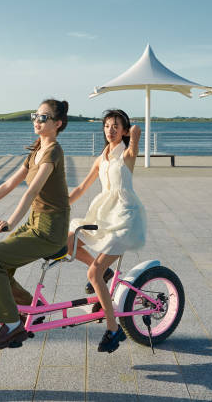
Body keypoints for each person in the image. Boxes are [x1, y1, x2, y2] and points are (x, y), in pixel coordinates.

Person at [0, 99, 70, 350]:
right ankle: (33, 308)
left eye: (43, 117)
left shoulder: (53, 151)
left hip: (50, 229)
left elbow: (31, 192)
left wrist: (10, 221)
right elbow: (8, 185)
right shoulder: (35, 153)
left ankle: (11, 325)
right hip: (35, 223)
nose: (37, 121)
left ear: (57, 124)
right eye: (35, 115)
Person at [68, 109, 146, 353]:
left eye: (116, 126)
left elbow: (135, 141)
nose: (110, 130)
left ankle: (113, 329)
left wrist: (133, 134)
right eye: (107, 126)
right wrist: (59, 206)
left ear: (123, 130)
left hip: (124, 217)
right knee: (67, 238)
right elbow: (81, 187)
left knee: (93, 274)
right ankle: (106, 274)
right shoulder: (101, 158)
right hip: (104, 214)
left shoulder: (126, 153)